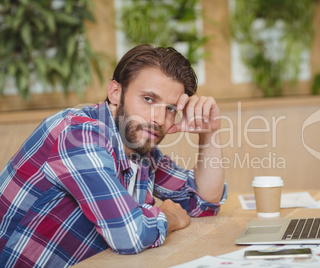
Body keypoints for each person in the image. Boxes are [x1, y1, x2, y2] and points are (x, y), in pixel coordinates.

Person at [0, 44, 227, 267]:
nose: (159, 118)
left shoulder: (138, 148)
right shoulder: (79, 134)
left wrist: (209, 131)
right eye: (148, 99)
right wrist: (169, 217)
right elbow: (129, 235)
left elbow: (203, 200)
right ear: (116, 92)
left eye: (170, 109)